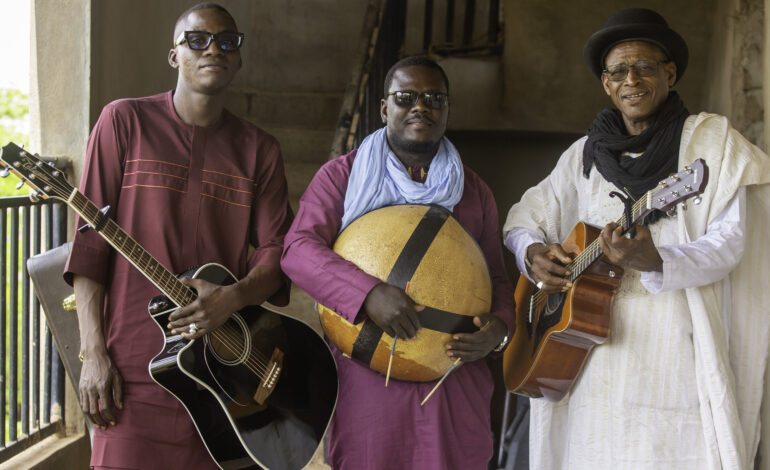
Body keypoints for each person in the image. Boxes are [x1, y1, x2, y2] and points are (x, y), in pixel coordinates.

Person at [503, 8, 770, 469]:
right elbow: (524, 216)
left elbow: (730, 244)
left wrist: (657, 261)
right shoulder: (584, 155)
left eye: (645, 66)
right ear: (606, 84)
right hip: (588, 361)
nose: (632, 79)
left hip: (675, 352)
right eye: (618, 71)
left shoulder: (711, 145)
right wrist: (531, 252)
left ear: (670, 73)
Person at [63, 3, 293, 469]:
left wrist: (232, 297)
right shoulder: (123, 122)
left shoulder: (260, 151)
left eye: (226, 42)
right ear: (174, 56)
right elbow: (89, 249)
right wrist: (93, 353)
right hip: (131, 371)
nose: (213, 50)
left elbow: (277, 254)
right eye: (197, 40)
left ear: (238, 58)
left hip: (222, 374)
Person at [280, 56, 515, 469]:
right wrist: (367, 293)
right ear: (384, 108)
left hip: (453, 378)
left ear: (447, 109)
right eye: (406, 97)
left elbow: (495, 276)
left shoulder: (473, 190)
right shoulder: (342, 176)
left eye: (434, 99)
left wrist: (498, 331)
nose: (420, 107)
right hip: (369, 373)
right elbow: (298, 250)